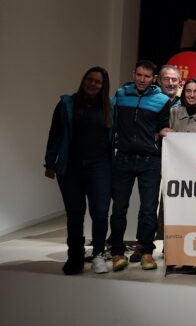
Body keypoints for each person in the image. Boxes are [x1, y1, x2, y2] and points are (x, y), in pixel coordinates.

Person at [44, 67, 113, 275]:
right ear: (84, 80)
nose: (93, 84)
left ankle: (98, 254)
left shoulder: (110, 107)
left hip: (100, 167)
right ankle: (74, 256)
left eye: (98, 82)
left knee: (100, 212)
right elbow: (55, 133)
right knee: (75, 214)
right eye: (89, 79)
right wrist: (49, 162)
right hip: (71, 167)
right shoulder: (67, 104)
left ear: (103, 86)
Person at [110, 60, 171, 272]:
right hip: (123, 158)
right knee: (119, 208)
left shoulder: (162, 100)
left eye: (147, 76)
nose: (142, 80)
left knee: (148, 210)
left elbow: (163, 127)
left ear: (154, 79)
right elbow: (111, 122)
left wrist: (165, 132)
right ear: (133, 74)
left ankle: (146, 251)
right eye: (139, 75)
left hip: (150, 161)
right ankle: (116, 252)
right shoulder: (120, 95)